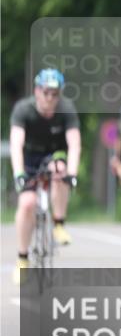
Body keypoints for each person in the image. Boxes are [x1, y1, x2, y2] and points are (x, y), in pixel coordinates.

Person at [9, 69, 80, 284]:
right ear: (37, 91)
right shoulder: (23, 110)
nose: (50, 98)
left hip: (54, 155)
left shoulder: (66, 110)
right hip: (29, 157)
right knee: (27, 203)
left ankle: (59, 224)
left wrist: (73, 174)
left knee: (61, 171)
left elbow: (74, 144)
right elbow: (16, 144)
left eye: (55, 94)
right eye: (46, 92)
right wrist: (19, 173)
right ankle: (22, 259)